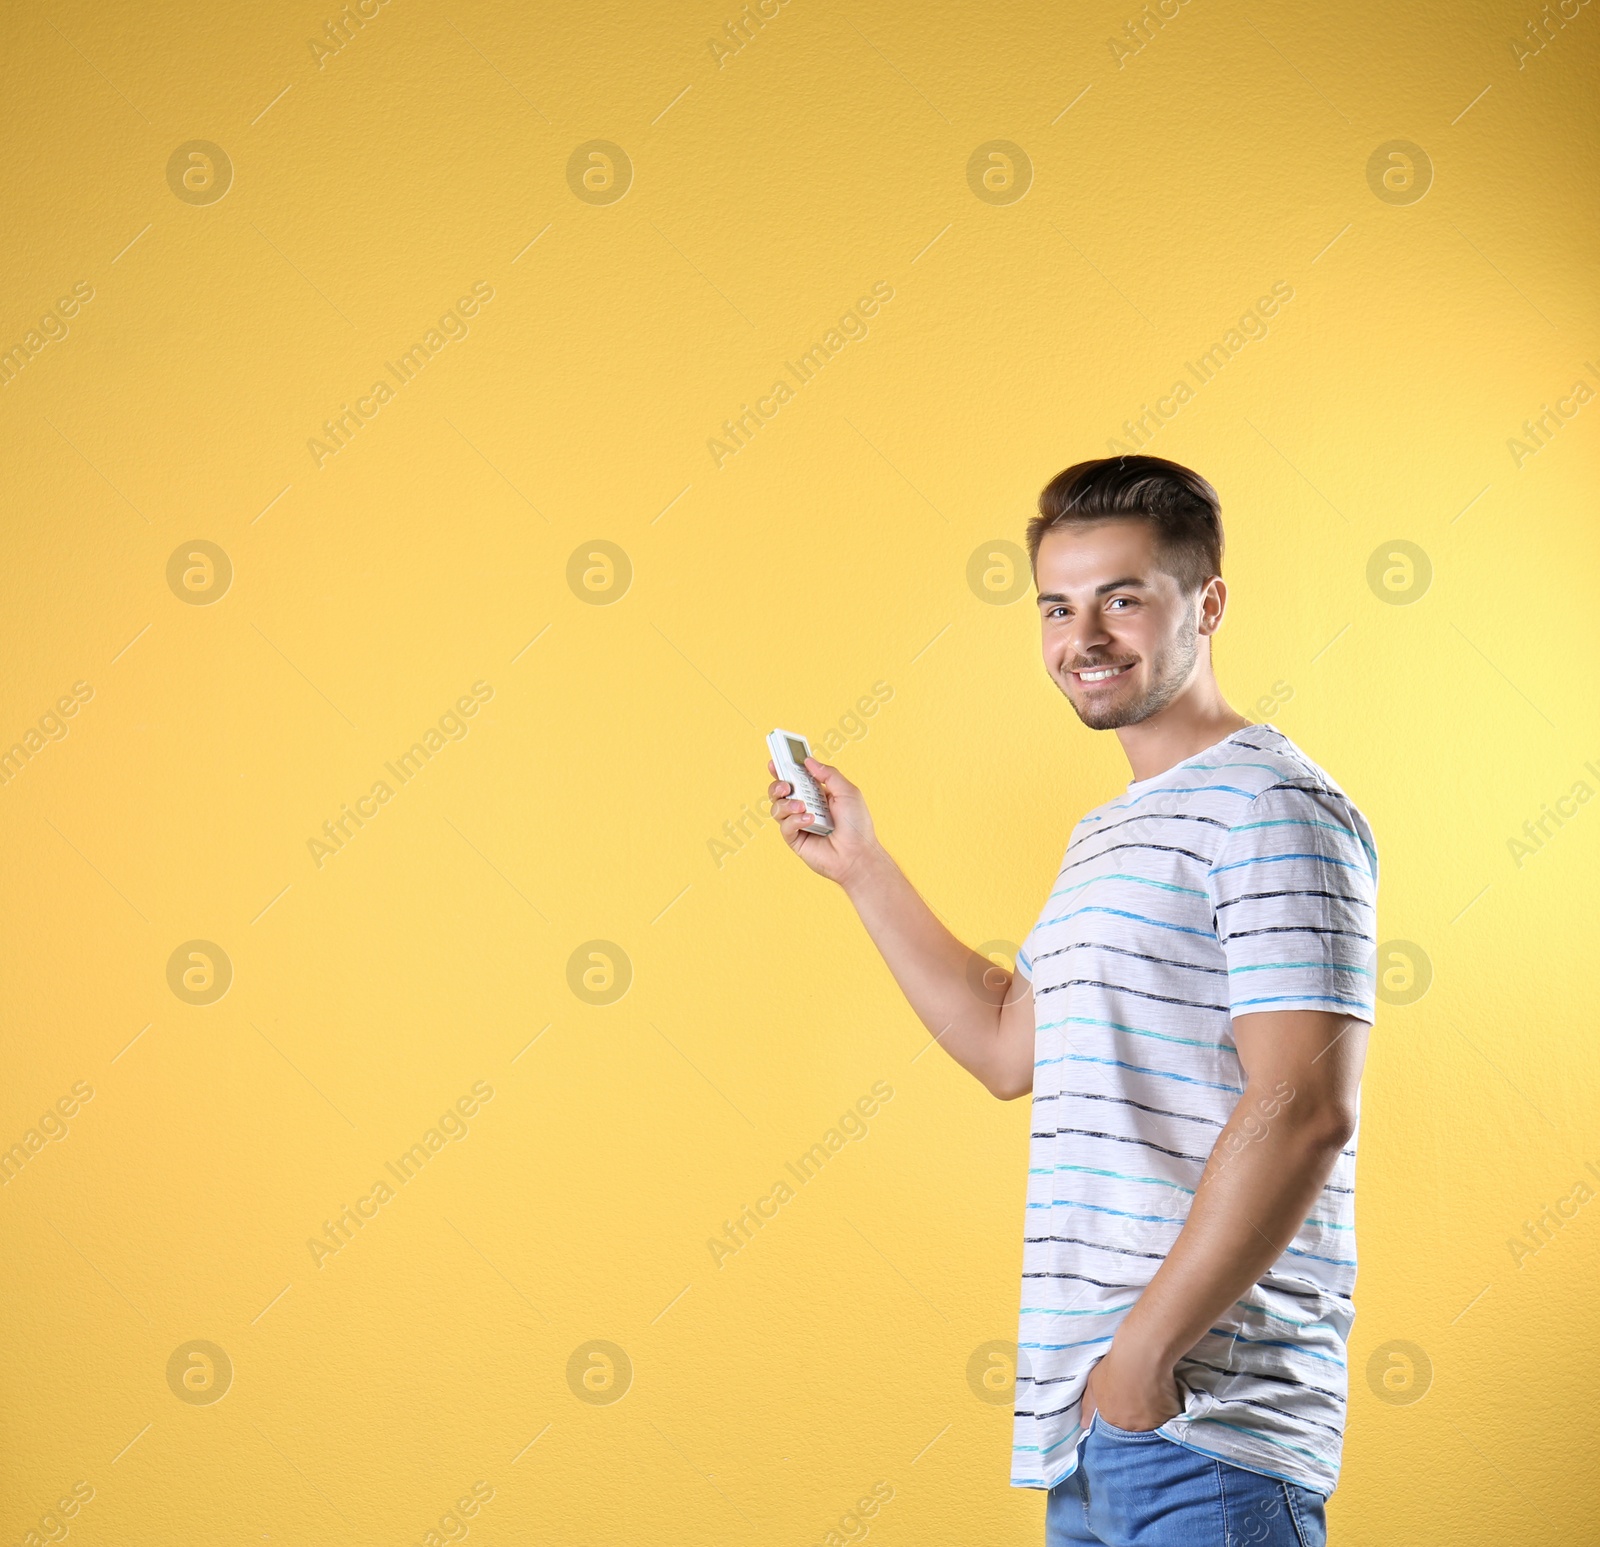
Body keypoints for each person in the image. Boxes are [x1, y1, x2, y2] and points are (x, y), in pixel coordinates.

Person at [766, 455, 1377, 1547]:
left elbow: (1303, 1105)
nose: (1081, 636)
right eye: (1057, 604)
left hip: (1209, 1423)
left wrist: (1143, 1357)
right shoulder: (1109, 831)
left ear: (1210, 603)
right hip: (1093, 1430)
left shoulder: (1271, 805)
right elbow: (1007, 1044)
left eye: (1123, 597)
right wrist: (862, 866)